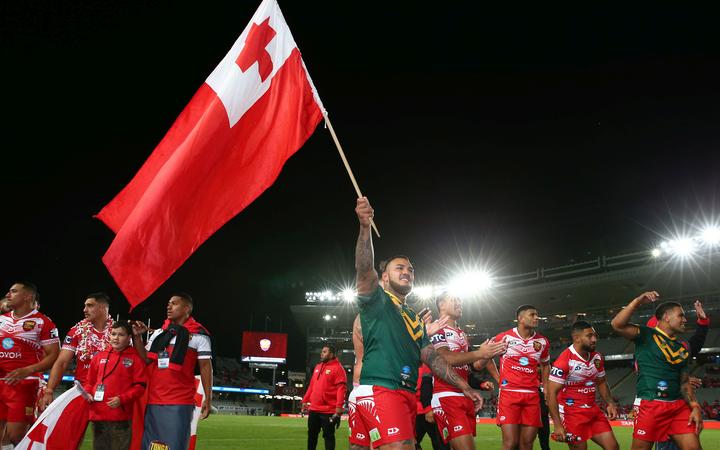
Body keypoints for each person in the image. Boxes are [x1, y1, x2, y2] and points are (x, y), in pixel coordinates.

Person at [349, 197, 482, 450]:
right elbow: (364, 270)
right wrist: (365, 228)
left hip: (404, 393)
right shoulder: (378, 301)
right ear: (384, 277)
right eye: (399, 268)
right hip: (383, 389)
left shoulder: (412, 317)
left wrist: (464, 386)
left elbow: (432, 358)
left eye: (410, 269)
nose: (407, 272)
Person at [611, 292, 703, 450]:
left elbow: (684, 382)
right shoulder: (646, 334)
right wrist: (637, 301)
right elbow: (617, 324)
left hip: (678, 407)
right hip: (652, 405)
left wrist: (695, 406)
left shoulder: (681, 349)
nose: (685, 320)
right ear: (666, 317)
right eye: (681, 316)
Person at [131, 292, 212, 450]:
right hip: (154, 400)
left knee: (173, 446)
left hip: (179, 402)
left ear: (187, 308)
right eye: (168, 303)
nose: (168, 306)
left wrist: (208, 399)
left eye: (174, 303)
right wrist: (137, 338)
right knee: (152, 446)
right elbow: (146, 359)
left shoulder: (199, 335)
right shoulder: (160, 333)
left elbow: (205, 367)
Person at [430, 294, 507, 450]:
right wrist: (480, 353)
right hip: (446, 394)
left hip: (464, 394)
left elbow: (474, 366)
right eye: (455, 300)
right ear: (442, 305)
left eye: (461, 300)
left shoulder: (461, 333)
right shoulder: (437, 328)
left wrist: (487, 354)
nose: (460, 303)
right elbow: (446, 358)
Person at [0, 282, 60, 445]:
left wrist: (28, 370)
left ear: (27, 296)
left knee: (16, 436)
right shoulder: (1, 319)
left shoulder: (43, 322)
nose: (8, 295)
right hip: (1, 382)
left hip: (23, 384)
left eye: (13, 291)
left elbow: (54, 355)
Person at [646, 300, 710, 450]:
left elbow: (695, 344)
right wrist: (683, 379)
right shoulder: (646, 352)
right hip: (662, 408)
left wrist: (703, 321)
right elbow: (654, 376)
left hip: (681, 407)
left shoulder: (678, 348)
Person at [546, 321, 619, 450]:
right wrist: (557, 425)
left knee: (613, 447)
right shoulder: (564, 361)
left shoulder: (597, 357)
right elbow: (551, 394)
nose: (594, 339)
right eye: (590, 336)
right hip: (571, 414)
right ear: (577, 338)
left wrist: (610, 403)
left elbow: (601, 381)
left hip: (593, 411)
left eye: (595, 335)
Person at [488, 304, 550, 450]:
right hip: (509, 394)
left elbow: (546, 365)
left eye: (537, 315)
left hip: (532, 395)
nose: (536, 317)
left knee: (527, 444)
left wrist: (546, 387)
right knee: (510, 444)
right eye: (532, 315)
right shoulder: (504, 337)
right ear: (520, 318)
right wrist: (499, 379)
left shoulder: (542, 342)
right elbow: (487, 357)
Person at [39, 292, 113, 411]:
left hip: (111, 390)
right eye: (85, 306)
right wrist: (49, 390)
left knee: (107, 429)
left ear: (102, 308)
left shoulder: (118, 331)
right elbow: (62, 362)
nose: (85, 310)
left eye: (90, 305)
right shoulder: (77, 331)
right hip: (83, 390)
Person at [83, 321, 147, 450]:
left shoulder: (135, 358)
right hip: (98, 416)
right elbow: (89, 382)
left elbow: (140, 386)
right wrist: (88, 393)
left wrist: (122, 399)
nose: (115, 338)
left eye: (121, 335)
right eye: (113, 334)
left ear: (129, 338)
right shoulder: (99, 356)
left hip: (121, 417)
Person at [302, 345, 347, 450]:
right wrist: (305, 400)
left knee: (328, 437)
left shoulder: (338, 368)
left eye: (324, 352)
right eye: (322, 351)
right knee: (312, 436)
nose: (321, 353)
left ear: (331, 355)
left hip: (328, 411)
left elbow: (341, 389)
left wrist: (339, 407)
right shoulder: (318, 367)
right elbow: (312, 385)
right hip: (313, 409)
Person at [415, 363, 447, 450]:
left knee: (413, 442)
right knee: (440, 443)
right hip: (428, 410)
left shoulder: (417, 367)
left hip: (424, 411)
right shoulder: (430, 366)